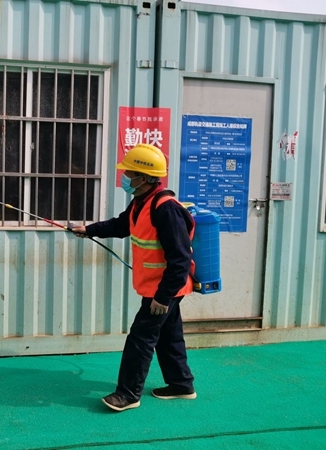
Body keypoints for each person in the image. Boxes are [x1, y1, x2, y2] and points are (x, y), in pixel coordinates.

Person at [71, 143, 197, 412]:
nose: (124, 176)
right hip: (158, 287)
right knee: (168, 335)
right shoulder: (142, 202)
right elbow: (121, 225)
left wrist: (163, 297)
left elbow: (180, 258)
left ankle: (128, 394)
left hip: (163, 290)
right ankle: (181, 384)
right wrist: (88, 230)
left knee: (141, 339)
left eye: (129, 172)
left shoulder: (166, 209)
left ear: (145, 177)